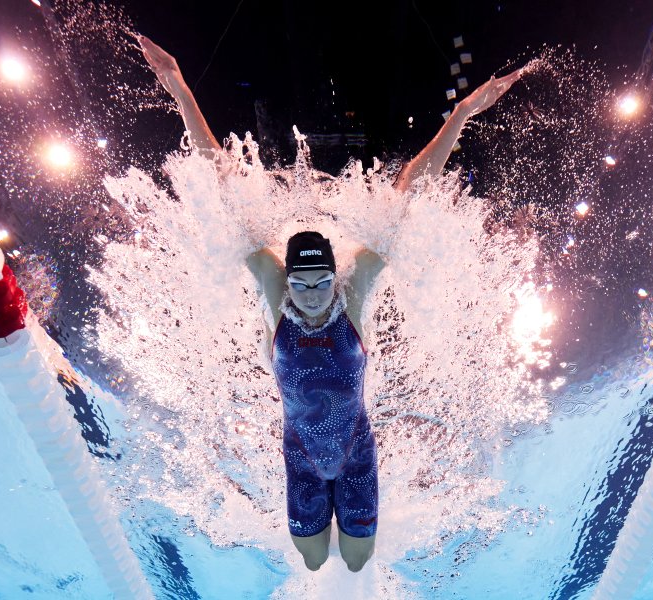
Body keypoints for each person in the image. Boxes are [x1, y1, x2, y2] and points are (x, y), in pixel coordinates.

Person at [138, 34, 523, 572]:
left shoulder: (353, 296)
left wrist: (460, 114)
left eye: (323, 283)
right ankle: (324, 527)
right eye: (304, 284)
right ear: (287, 280)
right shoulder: (274, 292)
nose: (314, 294)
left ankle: (353, 525)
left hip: (358, 458)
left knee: (358, 562)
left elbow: (406, 194)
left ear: (336, 277)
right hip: (299, 462)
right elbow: (223, 182)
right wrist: (180, 89)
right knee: (316, 561)